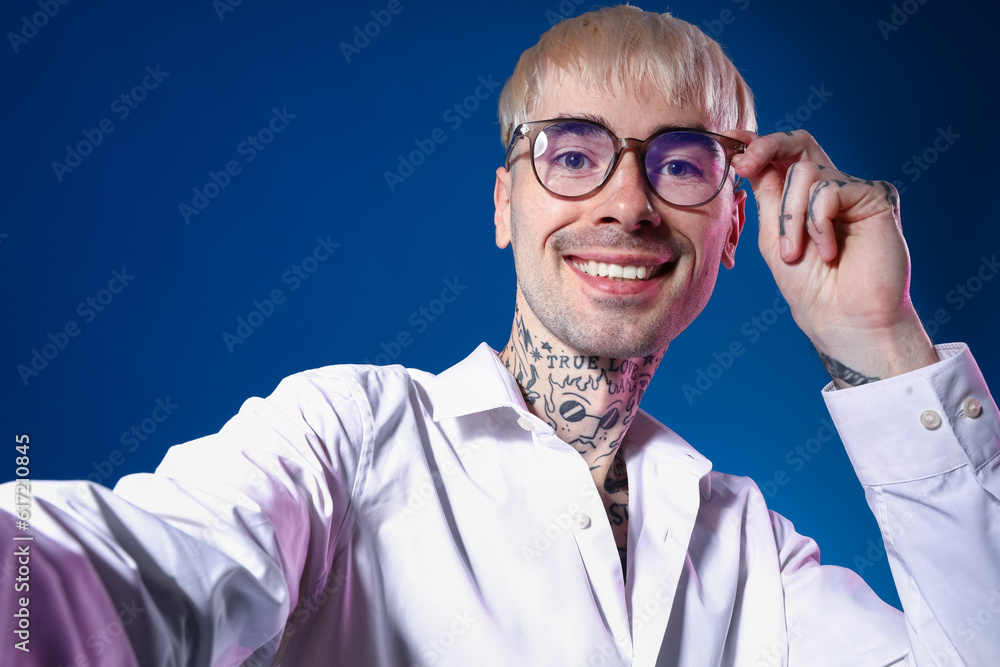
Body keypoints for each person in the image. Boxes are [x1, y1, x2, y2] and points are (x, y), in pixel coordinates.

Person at [3, 5, 998, 666]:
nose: (626, 203)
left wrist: (880, 341)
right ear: (503, 205)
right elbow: (118, 574)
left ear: (732, 229)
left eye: (682, 164)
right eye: (573, 154)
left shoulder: (744, 551)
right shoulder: (344, 438)